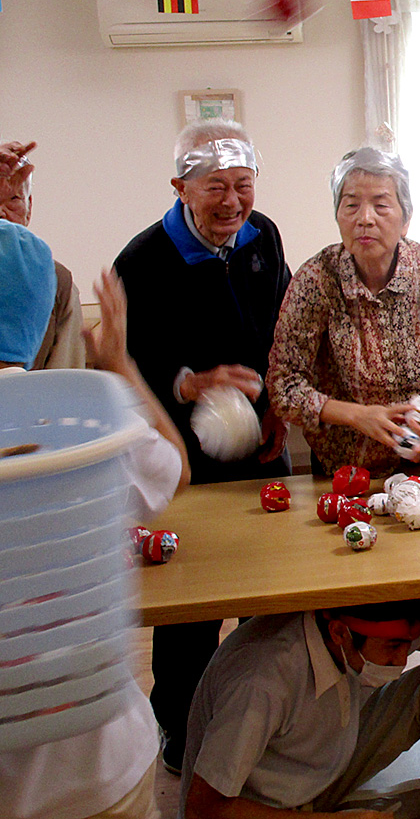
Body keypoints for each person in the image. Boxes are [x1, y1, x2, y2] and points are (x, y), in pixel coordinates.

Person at [114, 119, 292, 773]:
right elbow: (129, 365)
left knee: (268, 599)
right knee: (190, 608)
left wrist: (278, 402)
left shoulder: (263, 234)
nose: (233, 202)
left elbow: (284, 321)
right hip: (184, 463)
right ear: (180, 187)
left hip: (264, 448)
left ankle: (264, 720)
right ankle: (180, 732)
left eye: (243, 185)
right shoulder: (141, 261)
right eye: (216, 186)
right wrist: (193, 383)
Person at [0, 239, 191, 819]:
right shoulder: (87, 417)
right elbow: (176, 470)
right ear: (43, 322)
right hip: (104, 769)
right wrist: (118, 365)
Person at [179, 603, 420, 819]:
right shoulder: (262, 680)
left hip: (316, 771)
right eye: (394, 647)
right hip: (258, 809)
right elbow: (203, 808)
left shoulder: (363, 621)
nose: (403, 659)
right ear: (339, 632)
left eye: (409, 644)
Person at [268, 148, 420, 476]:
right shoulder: (315, 280)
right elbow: (284, 384)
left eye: (381, 205)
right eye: (351, 205)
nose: (365, 218)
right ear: (337, 215)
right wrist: (355, 415)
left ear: (405, 219)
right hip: (348, 467)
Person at [0, 140, 85, 369]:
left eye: (13, 199)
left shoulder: (57, 280)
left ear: (29, 206)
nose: (1, 211)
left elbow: (64, 381)